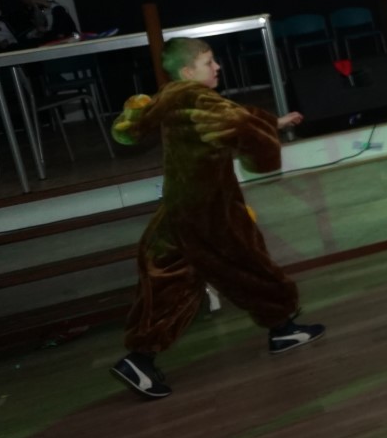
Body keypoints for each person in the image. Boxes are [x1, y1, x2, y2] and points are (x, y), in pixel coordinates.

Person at [108, 38, 319, 400]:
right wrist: (265, 153)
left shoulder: (170, 95)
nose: (217, 66)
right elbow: (241, 125)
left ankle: (139, 359)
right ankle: (282, 328)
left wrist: (274, 121)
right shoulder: (197, 97)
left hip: (179, 208)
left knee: (169, 283)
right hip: (210, 210)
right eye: (208, 62)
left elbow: (129, 129)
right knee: (248, 265)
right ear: (188, 71)